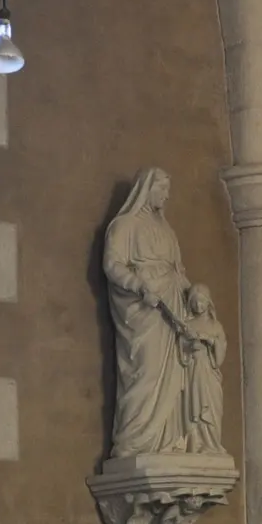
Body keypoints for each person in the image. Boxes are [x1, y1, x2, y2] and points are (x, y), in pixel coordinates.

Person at [103, 168, 192, 458]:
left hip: (172, 305)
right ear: (147, 189)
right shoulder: (124, 226)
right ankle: (134, 440)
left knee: (174, 372)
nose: (166, 196)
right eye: (162, 189)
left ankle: (167, 441)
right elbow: (113, 265)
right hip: (145, 310)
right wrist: (139, 286)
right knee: (146, 369)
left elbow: (179, 271)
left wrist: (193, 297)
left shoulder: (167, 230)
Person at [179, 284, 227, 455]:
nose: (198, 305)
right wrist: (188, 345)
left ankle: (211, 444)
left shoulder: (216, 326)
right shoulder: (187, 324)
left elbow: (220, 355)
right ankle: (195, 443)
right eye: (195, 302)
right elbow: (179, 351)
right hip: (193, 371)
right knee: (194, 407)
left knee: (211, 409)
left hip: (209, 374)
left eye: (201, 301)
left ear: (208, 303)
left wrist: (209, 340)